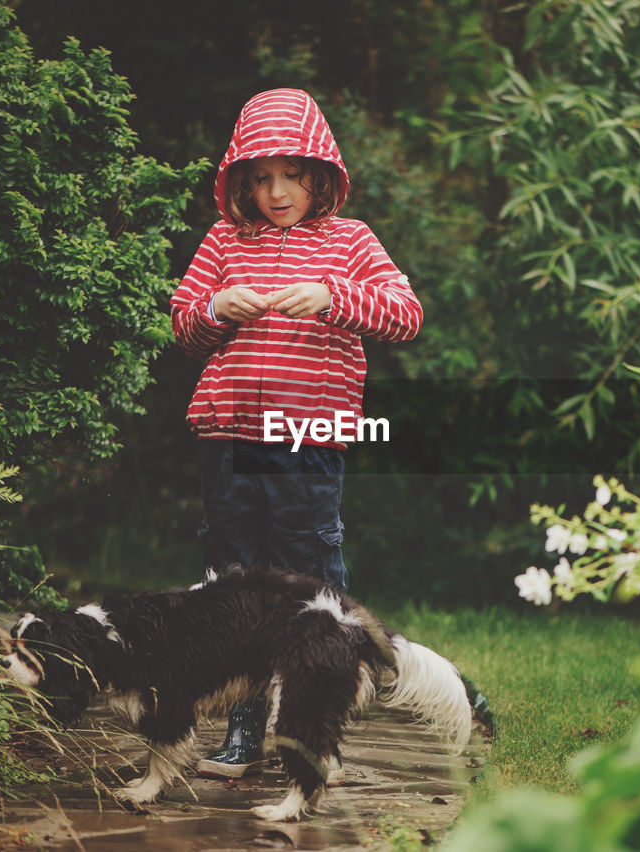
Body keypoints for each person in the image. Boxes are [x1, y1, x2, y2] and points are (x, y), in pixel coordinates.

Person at [170, 88, 422, 779]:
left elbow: (406, 314)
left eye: (290, 175)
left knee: (310, 577)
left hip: (307, 432)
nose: (275, 192)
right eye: (259, 177)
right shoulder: (225, 241)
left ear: (320, 173)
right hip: (225, 434)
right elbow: (186, 326)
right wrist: (217, 305)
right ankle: (244, 731)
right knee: (233, 584)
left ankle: (313, 726)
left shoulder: (351, 240)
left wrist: (335, 298)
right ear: (240, 181)